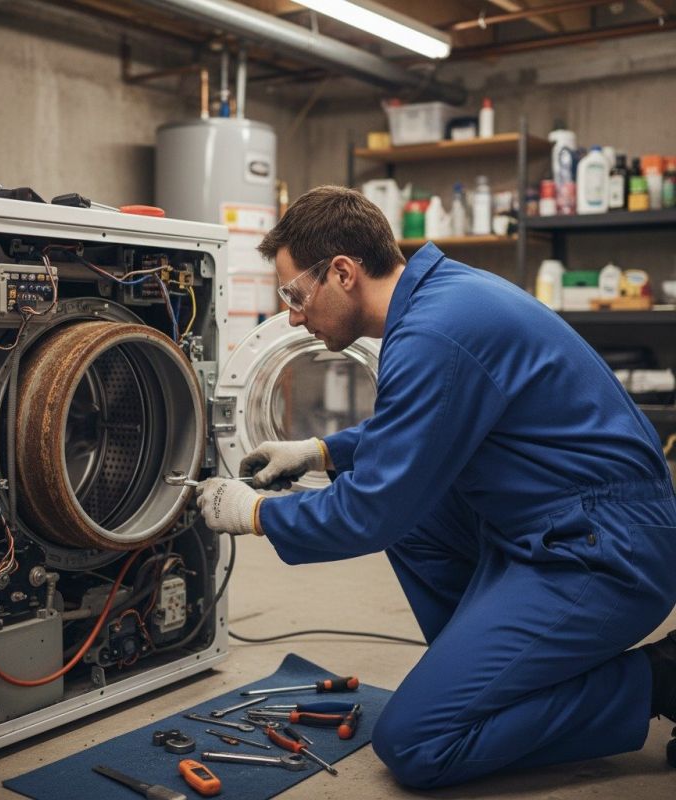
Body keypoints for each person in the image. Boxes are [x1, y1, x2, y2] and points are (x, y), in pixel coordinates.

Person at [196, 185, 676, 789]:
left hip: (607, 550)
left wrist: (255, 513)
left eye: (295, 295)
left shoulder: (433, 333)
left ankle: (660, 679)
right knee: (419, 515)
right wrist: (321, 451)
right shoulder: (442, 298)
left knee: (418, 743)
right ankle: (487, 676)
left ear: (342, 272)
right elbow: (424, 428)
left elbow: (370, 512)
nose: (293, 315)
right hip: (564, 522)